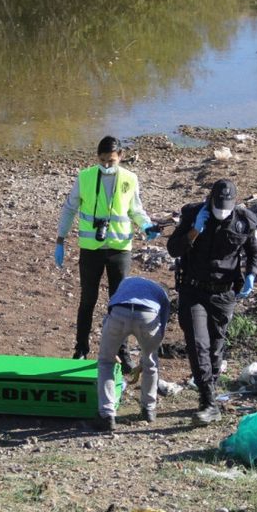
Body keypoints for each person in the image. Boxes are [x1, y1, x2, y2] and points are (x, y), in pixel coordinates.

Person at [54, 136, 159, 368]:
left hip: (119, 249)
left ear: (120, 156)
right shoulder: (85, 177)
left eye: (111, 160)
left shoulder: (130, 179)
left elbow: (136, 209)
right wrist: (60, 240)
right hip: (91, 249)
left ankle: (123, 353)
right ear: (97, 158)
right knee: (87, 300)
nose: (107, 165)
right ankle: (81, 349)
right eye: (102, 160)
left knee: (120, 303)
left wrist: (147, 225)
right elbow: (70, 208)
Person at [166, 179, 257, 425]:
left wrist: (251, 274)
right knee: (198, 345)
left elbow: (254, 252)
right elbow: (173, 249)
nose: (221, 212)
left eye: (226, 208)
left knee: (216, 347)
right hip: (193, 290)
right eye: (218, 206)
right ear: (210, 200)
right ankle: (207, 402)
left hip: (224, 294)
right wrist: (194, 231)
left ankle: (210, 392)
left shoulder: (244, 221)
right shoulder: (192, 215)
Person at [95, 276, 170, 432]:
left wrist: (111, 349)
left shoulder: (125, 283)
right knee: (151, 363)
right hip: (147, 316)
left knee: (106, 362)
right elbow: (162, 325)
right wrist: (149, 353)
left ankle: (107, 415)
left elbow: (110, 310)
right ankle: (149, 410)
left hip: (119, 313)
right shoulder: (161, 293)